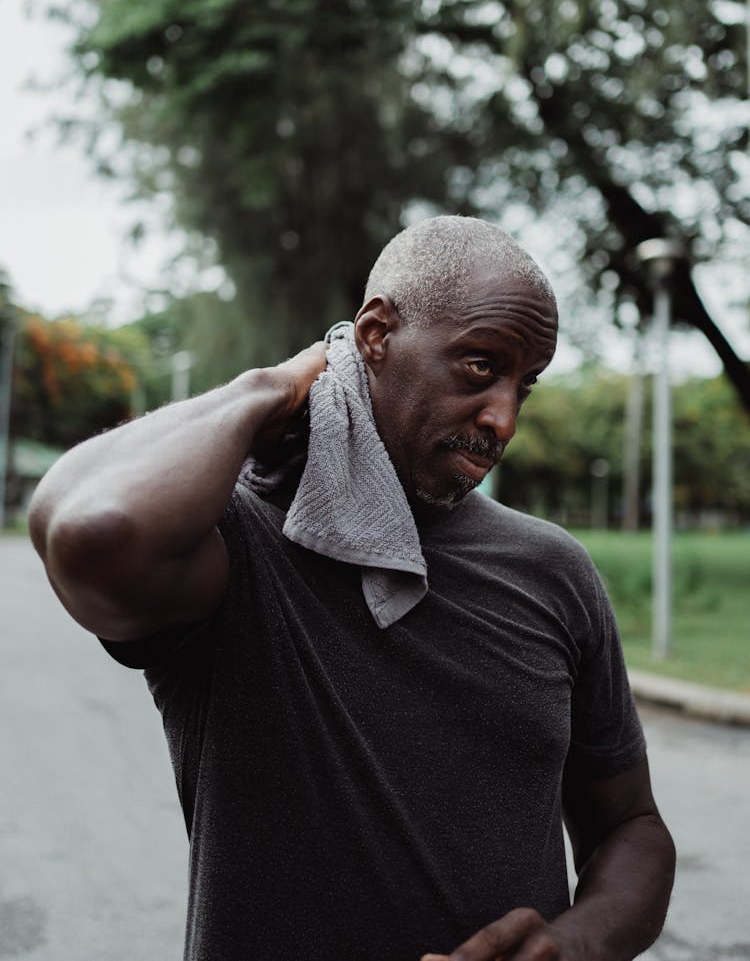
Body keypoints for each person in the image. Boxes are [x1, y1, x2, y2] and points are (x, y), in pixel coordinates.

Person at [29, 216, 675, 961]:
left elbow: (633, 827)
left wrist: (572, 943)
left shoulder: (554, 570)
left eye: (523, 385)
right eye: (478, 366)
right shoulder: (241, 545)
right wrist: (274, 385)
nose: (503, 418)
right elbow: (93, 530)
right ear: (374, 336)